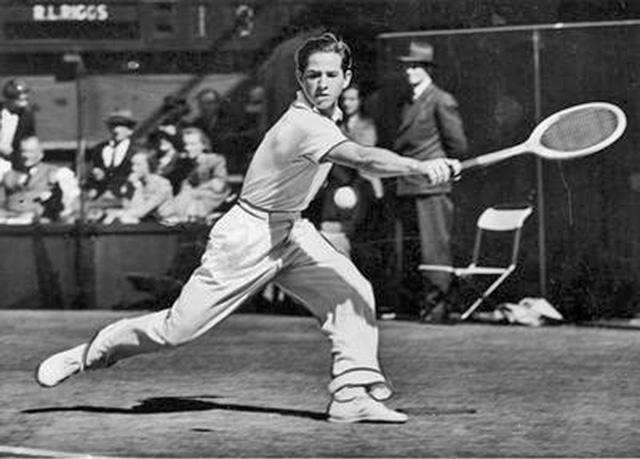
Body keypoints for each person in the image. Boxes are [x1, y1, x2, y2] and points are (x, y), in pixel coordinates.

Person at [35, 33, 460, 424]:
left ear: (346, 78)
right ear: (301, 78)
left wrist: (421, 168)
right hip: (248, 235)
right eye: (313, 75)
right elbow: (362, 158)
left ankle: (350, 394)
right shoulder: (304, 123)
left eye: (332, 74)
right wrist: (421, 166)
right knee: (177, 330)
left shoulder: (327, 119)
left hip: (292, 230)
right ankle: (90, 353)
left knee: (352, 291)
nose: (323, 83)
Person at [393, 41, 468, 323]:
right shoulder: (407, 101)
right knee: (412, 251)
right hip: (407, 185)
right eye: (406, 66)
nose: (409, 71)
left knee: (433, 250)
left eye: (414, 66)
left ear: (426, 69)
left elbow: (458, 145)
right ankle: (416, 307)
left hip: (431, 187)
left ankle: (436, 309)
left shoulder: (441, 99)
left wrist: (445, 164)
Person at [0, 136, 79, 223]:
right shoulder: (8, 175)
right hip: (9, 223)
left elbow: (69, 206)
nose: (25, 155)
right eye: (23, 151)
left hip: (40, 225)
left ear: (41, 154)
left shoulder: (57, 173)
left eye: (31, 152)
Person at [161, 127, 230, 223]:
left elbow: (219, 185)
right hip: (185, 198)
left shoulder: (215, 160)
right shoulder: (181, 162)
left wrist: (195, 190)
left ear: (203, 145)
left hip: (209, 198)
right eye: (185, 144)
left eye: (193, 144)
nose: (187, 148)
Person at [84, 109, 138, 211]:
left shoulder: (136, 151)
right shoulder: (99, 150)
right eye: (113, 125)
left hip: (126, 201)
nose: (116, 130)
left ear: (130, 130)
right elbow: (91, 176)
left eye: (121, 126)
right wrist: (95, 176)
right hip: (100, 200)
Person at [103, 149, 174, 225]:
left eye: (138, 165)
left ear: (149, 166)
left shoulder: (162, 185)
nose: (133, 168)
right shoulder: (138, 183)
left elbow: (141, 212)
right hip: (147, 224)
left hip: (165, 226)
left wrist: (115, 213)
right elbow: (131, 208)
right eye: (132, 164)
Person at [0, 79, 36, 169]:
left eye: (26, 99)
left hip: (14, 161)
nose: (25, 104)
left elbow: (29, 137)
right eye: (20, 100)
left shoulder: (27, 115)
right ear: (9, 99)